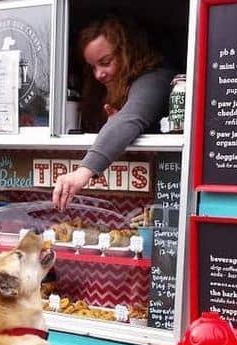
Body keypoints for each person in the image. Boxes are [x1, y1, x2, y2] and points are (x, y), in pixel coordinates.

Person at [53, 16, 175, 211]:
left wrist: (81, 173)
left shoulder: (156, 78)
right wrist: (113, 126)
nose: (98, 74)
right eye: (93, 66)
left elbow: (130, 118)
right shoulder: (107, 86)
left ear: (128, 52)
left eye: (106, 62)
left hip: (160, 189)